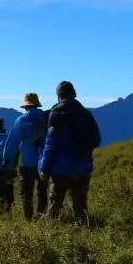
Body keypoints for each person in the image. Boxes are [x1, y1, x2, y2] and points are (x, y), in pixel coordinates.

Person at [39, 81, 101, 225]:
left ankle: (52, 241)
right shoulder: (86, 114)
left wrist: (44, 168)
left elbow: (50, 144)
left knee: (54, 210)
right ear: (74, 93)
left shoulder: (56, 113)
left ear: (59, 95)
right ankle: (85, 238)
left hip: (60, 170)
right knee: (81, 208)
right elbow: (97, 140)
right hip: (82, 169)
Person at [3, 92, 49, 220]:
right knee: (43, 192)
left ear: (25, 106)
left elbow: (12, 141)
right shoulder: (46, 118)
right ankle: (41, 217)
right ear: (37, 104)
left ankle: (28, 219)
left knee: (26, 194)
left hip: (26, 161)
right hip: (44, 161)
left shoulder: (22, 120)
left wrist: (7, 159)